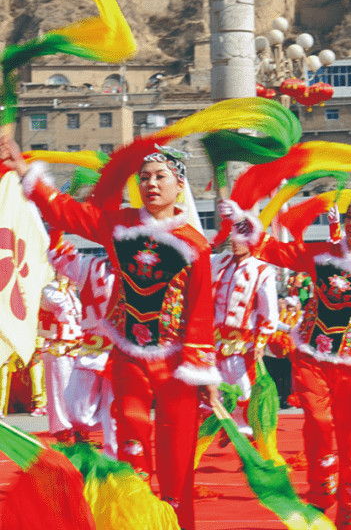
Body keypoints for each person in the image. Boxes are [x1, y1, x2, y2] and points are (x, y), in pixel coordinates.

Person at [2, 135, 218, 530]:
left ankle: (176, 523)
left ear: (179, 186)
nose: (151, 184)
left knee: (177, 460)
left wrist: (204, 374)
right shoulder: (120, 226)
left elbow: (200, 313)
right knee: (131, 443)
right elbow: (69, 214)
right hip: (129, 353)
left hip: (175, 364)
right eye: (145, 177)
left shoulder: (194, 245)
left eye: (160, 177)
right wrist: (26, 174)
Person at [219, 192, 351, 527]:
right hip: (311, 355)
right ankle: (321, 487)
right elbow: (279, 252)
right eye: (349, 218)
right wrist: (245, 221)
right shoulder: (323, 255)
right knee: (317, 421)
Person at [48, 242, 119, 456]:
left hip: (121, 353)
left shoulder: (141, 273)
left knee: (114, 414)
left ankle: (114, 460)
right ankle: (81, 433)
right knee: (75, 409)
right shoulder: (88, 265)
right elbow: (60, 259)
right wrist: (56, 232)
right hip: (90, 349)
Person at [210, 238, 278, 435]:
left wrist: (261, 341)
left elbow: (269, 310)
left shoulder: (262, 270)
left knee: (244, 391)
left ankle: (250, 438)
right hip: (214, 341)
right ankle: (226, 429)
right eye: (232, 238)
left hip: (243, 343)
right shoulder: (220, 263)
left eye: (241, 239)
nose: (234, 243)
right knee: (215, 392)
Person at [37, 276, 80, 441]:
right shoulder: (50, 290)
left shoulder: (72, 294)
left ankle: (76, 429)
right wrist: (63, 284)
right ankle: (62, 432)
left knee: (76, 391)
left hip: (74, 348)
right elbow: (58, 304)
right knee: (59, 392)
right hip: (57, 349)